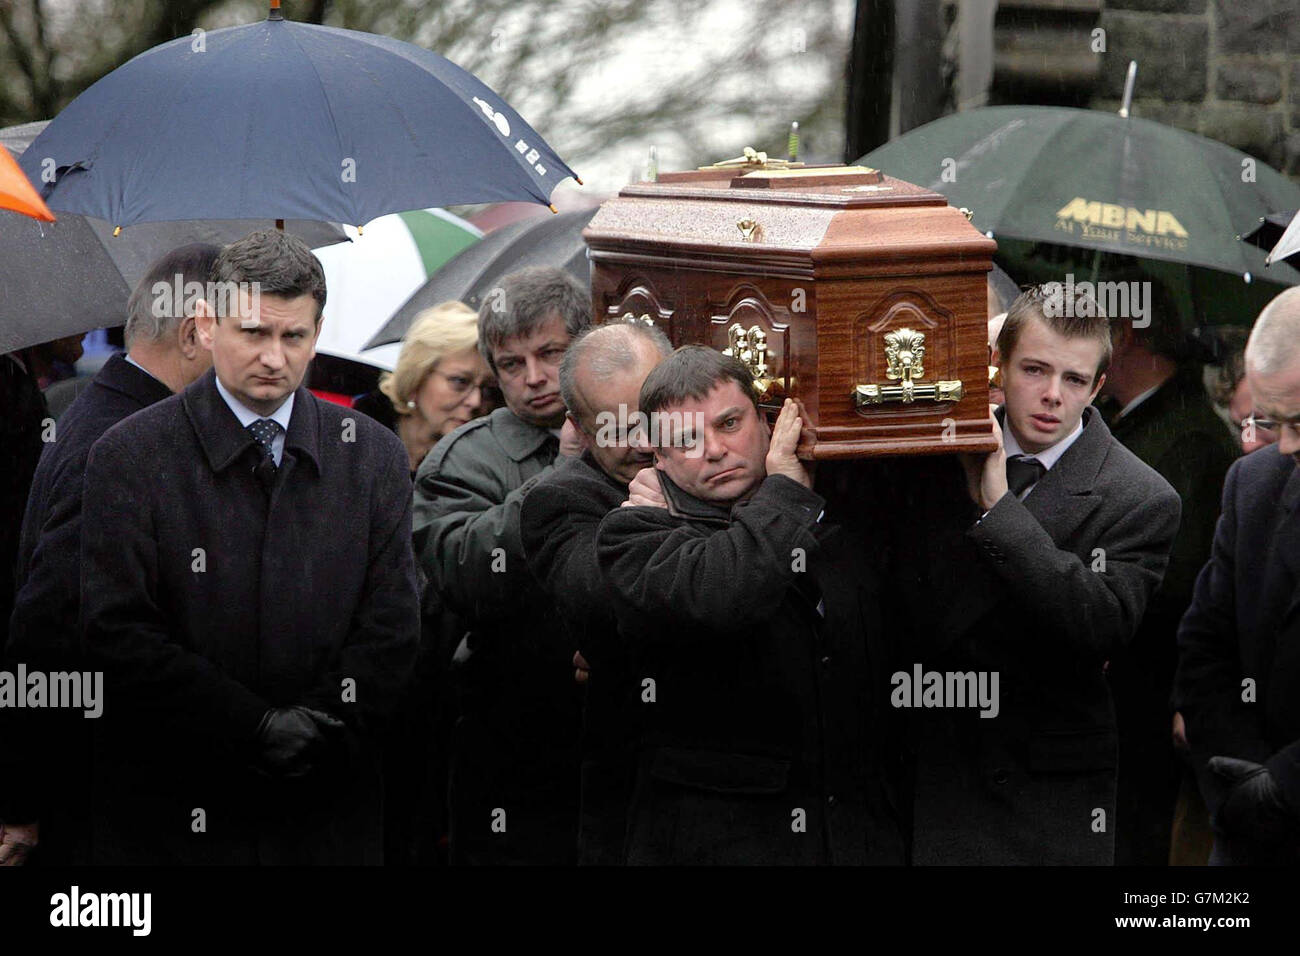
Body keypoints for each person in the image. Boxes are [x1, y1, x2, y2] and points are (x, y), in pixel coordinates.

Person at [77, 230, 419, 864]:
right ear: (207, 327)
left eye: (293, 337)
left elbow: (393, 626)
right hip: (176, 808)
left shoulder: (371, 454)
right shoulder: (129, 455)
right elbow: (116, 630)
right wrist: (251, 726)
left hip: (327, 808)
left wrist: (316, 727)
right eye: (254, 333)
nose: (274, 357)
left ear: (317, 334)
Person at [594, 347, 905, 865]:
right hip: (719, 845)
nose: (714, 449)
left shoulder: (839, 513)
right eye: (686, 439)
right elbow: (727, 592)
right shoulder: (632, 536)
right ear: (659, 456)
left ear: (769, 424)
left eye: (729, 423)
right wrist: (782, 489)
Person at [905, 283, 1180, 865]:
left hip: (1039, 796)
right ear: (998, 367)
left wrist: (1002, 512)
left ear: (1098, 388)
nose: (1053, 395)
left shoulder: (1141, 497)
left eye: (1075, 380)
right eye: (1034, 369)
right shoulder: (931, 456)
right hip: (924, 769)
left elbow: (1098, 625)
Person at [1, 243, 220, 867]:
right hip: (102, 800)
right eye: (244, 333)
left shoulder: (112, 415)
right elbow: (46, 628)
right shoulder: (120, 443)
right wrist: (22, 800)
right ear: (196, 331)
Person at [412, 266, 592, 865]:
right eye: (511, 365)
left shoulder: (633, 428)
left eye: (550, 354)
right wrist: (562, 478)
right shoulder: (463, 458)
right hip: (517, 745)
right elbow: (465, 575)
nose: (535, 379)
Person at [520, 317, 672, 865]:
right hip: (636, 799)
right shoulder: (562, 498)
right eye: (612, 427)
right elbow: (608, 608)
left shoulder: (725, 466)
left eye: (652, 418)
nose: (639, 442)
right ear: (578, 429)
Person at [1095, 293, 1240, 865]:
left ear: (1126, 333)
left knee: (1140, 830)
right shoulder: (1122, 421)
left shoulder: (1189, 437)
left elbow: (1181, 575)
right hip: (1120, 677)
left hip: (1150, 678)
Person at [1176, 286, 1300, 866]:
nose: (1287, 447)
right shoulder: (1254, 487)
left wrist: (1285, 785)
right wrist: (1240, 788)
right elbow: (1205, 650)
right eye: (1275, 423)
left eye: (1298, 422)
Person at [352, 300, 496, 476]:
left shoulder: (488, 469)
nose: (476, 401)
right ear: (417, 378)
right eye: (460, 381)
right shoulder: (355, 442)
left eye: (488, 389)